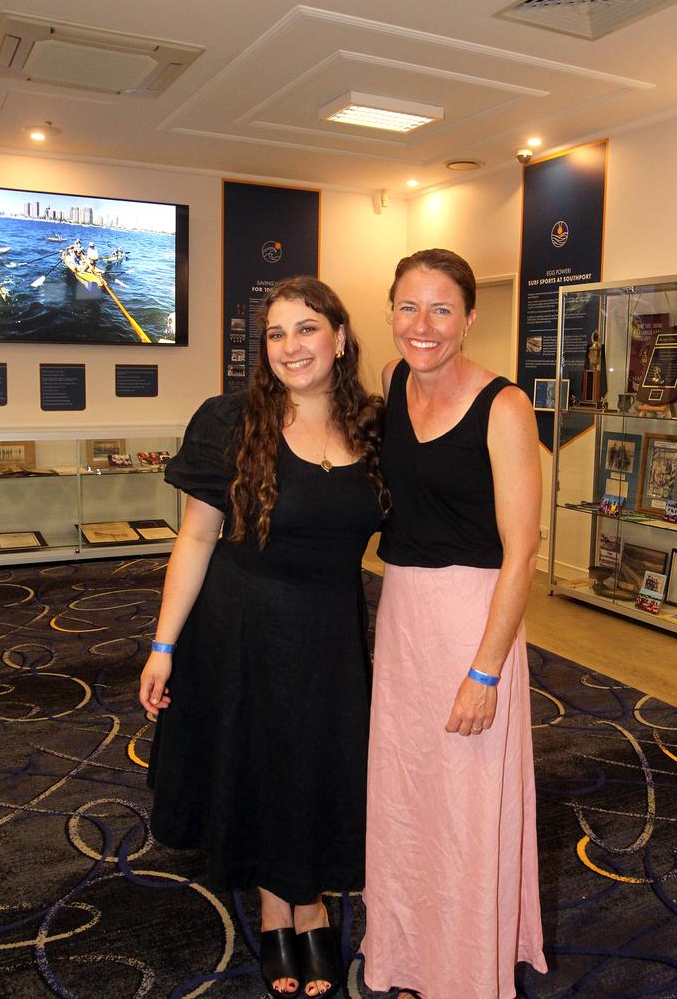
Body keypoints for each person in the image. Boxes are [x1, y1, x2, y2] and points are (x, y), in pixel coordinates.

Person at [139, 275, 387, 999]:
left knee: (318, 763)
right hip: (242, 623)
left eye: (306, 329)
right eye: (275, 334)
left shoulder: (374, 426)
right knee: (263, 762)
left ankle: (301, 897)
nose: (290, 347)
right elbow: (195, 538)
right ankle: (289, 907)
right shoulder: (228, 420)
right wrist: (163, 645)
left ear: (339, 338)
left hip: (333, 631)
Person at [362, 249, 547, 999]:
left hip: (474, 620)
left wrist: (485, 670)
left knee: (467, 804)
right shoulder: (391, 380)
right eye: (408, 307)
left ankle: (465, 968)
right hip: (403, 611)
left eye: (442, 309)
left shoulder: (505, 407)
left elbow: (524, 549)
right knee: (407, 797)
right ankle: (407, 955)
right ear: (391, 313)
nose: (423, 325)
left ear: (471, 317)